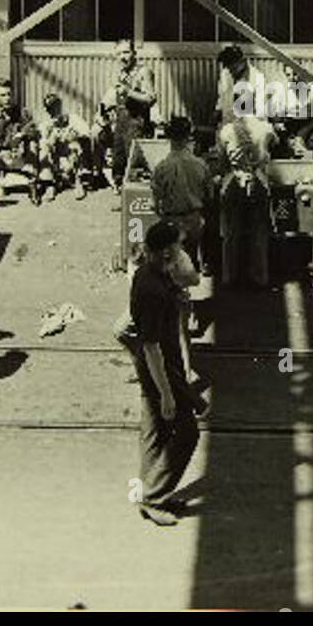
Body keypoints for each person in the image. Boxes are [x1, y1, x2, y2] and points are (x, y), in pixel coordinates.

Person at [131, 220, 201, 527]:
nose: (182, 250)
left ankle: (152, 491)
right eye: (179, 246)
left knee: (154, 432)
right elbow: (151, 347)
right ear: (166, 251)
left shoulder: (150, 274)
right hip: (160, 370)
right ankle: (154, 496)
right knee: (187, 433)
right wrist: (168, 394)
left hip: (157, 368)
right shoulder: (152, 289)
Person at [151, 114, 211, 349]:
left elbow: (156, 202)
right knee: (191, 264)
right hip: (194, 221)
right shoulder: (200, 164)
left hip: (172, 222)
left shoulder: (162, 167)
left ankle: (180, 314)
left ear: (169, 138)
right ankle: (189, 312)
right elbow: (208, 194)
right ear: (189, 137)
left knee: (172, 271)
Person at [216, 109, 276, 288]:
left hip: (234, 180)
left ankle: (229, 276)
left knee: (230, 232)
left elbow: (221, 161)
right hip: (258, 180)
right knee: (259, 231)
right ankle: (259, 277)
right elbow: (275, 147)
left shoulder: (226, 130)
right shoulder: (266, 128)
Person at [98, 40, 156, 189]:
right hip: (121, 122)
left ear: (134, 53)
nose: (122, 57)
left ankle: (133, 202)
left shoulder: (143, 71)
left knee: (134, 165)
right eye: (118, 53)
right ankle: (123, 199)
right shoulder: (122, 73)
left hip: (137, 123)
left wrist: (129, 92)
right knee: (119, 163)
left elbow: (151, 98)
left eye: (126, 52)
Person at [33, 93, 93, 203]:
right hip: (56, 159)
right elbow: (43, 143)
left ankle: (78, 182)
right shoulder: (45, 124)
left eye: (57, 106)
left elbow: (87, 132)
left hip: (71, 156)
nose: (55, 110)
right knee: (44, 147)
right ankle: (50, 185)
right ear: (47, 110)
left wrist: (75, 135)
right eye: (51, 108)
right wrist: (51, 137)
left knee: (74, 144)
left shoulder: (73, 118)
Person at [215, 44, 266, 127]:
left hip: (252, 127)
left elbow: (261, 112)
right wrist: (218, 110)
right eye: (228, 67)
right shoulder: (225, 73)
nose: (230, 71)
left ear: (242, 62)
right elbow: (222, 96)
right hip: (228, 124)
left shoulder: (257, 78)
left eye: (233, 68)